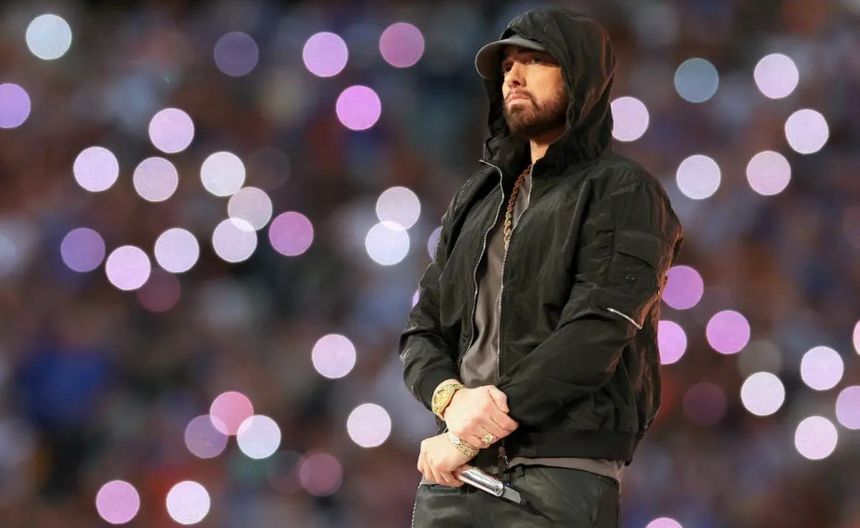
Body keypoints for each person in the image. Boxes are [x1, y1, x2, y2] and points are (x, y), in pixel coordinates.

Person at [399, 6, 684, 527]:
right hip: (452, 476)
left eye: (534, 60)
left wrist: (472, 432)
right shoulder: (478, 196)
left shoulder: (623, 190)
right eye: (508, 64)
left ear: (581, 75)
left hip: (555, 476)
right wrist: (451, 399)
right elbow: (423, 329)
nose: (513, 74)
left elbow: (596, 332)